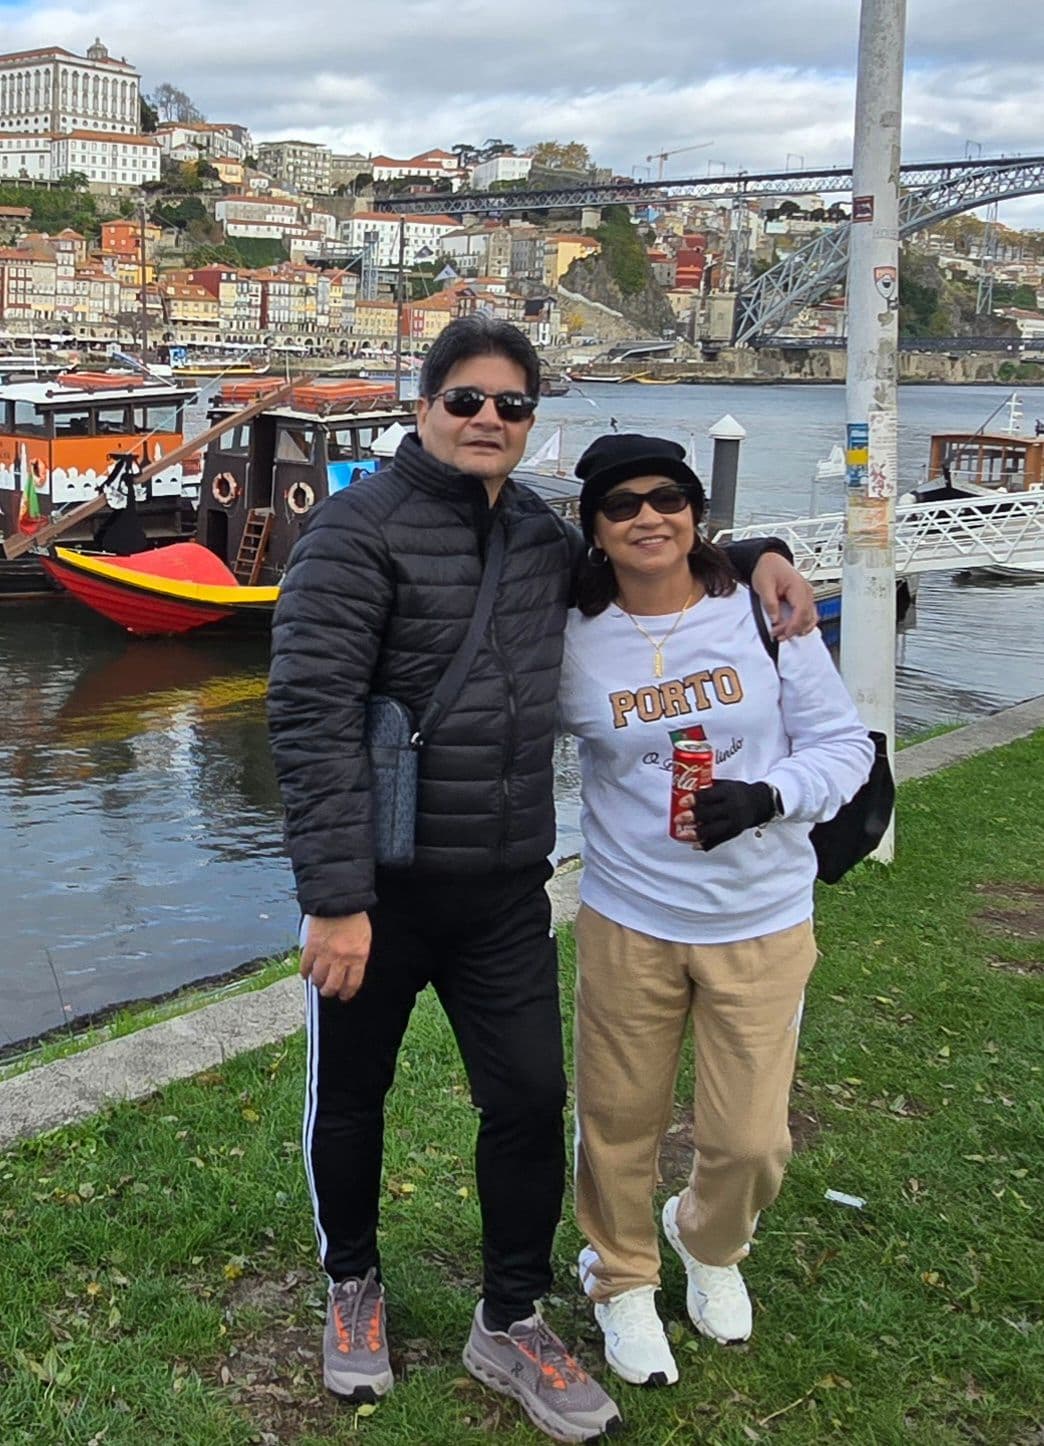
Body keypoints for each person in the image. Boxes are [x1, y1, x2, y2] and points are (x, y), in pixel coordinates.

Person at [266, 318, 816, 1442]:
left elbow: (650, 549)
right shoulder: (351, 535)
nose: (487, 421)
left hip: (505, 886)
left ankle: (509, 1314)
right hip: (379, 887)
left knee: (525, 1101)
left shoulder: (532, 534)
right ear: (424, 408)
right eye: (466, 400)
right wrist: (334, 897)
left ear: (529, 424)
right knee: (353, 1098)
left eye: (510, 407)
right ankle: (354, 1284)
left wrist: (756, 547)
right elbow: (311, 716)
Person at [558, 433, 874, 1390]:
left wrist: (770, 795)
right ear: (597, 532)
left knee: (750, 1139)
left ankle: (706, 1241)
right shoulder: (570, 635)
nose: (648, 516)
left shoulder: (762, 607)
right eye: (622, 505)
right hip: (630, 915)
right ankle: (619, 1280)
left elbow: (843, 744)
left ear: (698, 515)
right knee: (617, 1120)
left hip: (761, 916)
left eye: (668, 498)